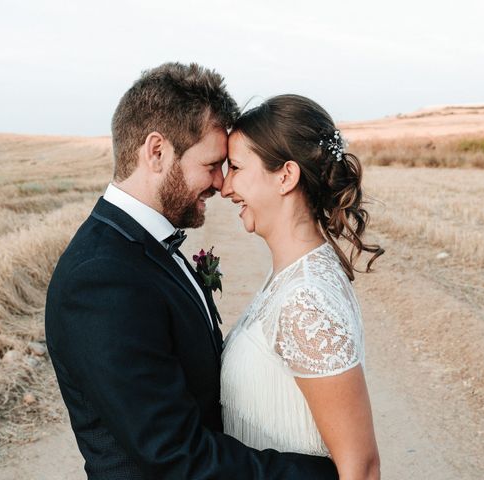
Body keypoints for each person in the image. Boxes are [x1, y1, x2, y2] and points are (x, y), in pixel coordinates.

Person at [45, 64, 338, 479]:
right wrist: (318, 475)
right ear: (157, 152)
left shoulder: (143, 246)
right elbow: (173, 454)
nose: (222, 184)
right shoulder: (100, 278)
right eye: (213, 164)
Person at [220, 94, 384, 480]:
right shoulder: (294, 276)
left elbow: (361, 468)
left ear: (286, 176)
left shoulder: (306, 299)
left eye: (237, 168)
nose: (225, 187)